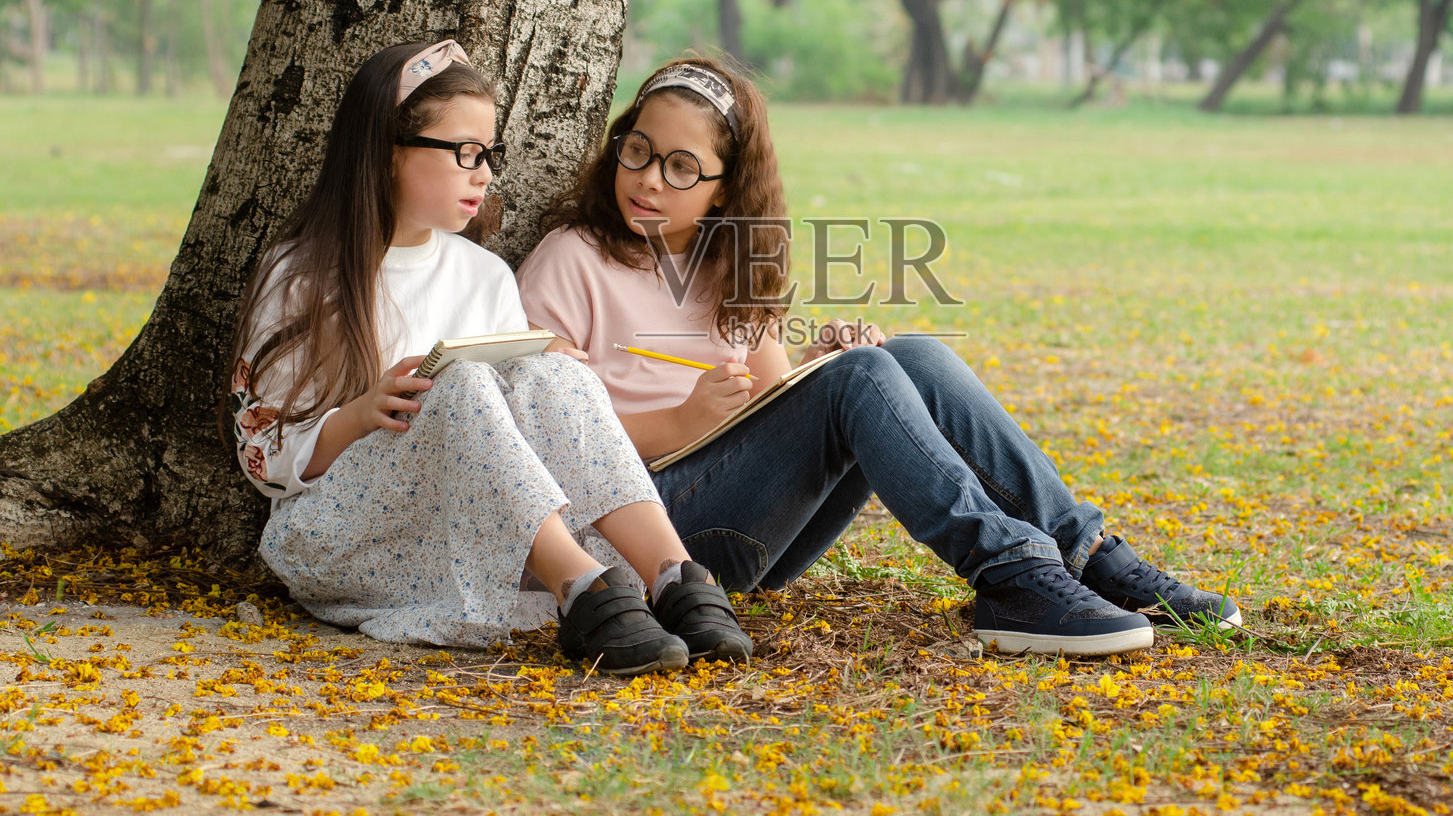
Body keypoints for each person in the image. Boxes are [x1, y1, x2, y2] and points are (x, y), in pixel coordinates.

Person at [516, 58, 1242, 657]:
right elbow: (539, 438)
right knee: (861, 379)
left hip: (745, 523)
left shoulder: (733, 265)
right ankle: (1011, 575)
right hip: (646, 543)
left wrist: (819, 365)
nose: (648, 179)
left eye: (681, 167)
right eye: (637, 151)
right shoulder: (571, 258)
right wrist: (682, 420)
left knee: (910, 356)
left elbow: (767, 408)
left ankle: (1087, 554)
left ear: (725, 189)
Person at [225, 41, 750, 675]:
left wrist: (546, 364)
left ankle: (674, 575)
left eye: (488, 155)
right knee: (462, 381)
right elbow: (260, 456)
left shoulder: (485, 276)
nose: (485, 175)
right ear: (389, 152)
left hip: (464, 533)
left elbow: (513, 440)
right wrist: (362, 414)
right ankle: (582, 590)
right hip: (340, 538)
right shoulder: (302, 276)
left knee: (554, 371)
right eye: (466, 154)